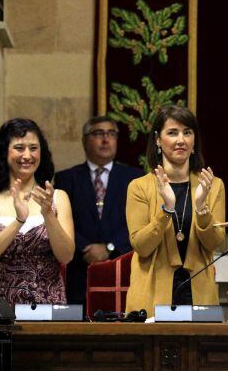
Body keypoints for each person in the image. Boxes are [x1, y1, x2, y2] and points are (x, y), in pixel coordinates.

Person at [125, 105, 226, 317]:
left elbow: (215, 243)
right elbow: (142, 246)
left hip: (199, 293)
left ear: (194, 140)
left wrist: (201, 209)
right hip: (152, 295)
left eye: (187, 132)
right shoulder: (139, 186)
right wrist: (166, 209)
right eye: (172, 133)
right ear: (158, 140)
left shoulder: (213, 185)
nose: (181, 140)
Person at [0, 118, 75, 306]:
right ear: (4, 152)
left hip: (48, 305)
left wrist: (48, 214)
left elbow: (66, 256)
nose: (27, 155)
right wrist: (19, 220)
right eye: (19, 148)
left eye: (33, 148)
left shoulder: (58, 197)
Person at [55, 116, 144, 309]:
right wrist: (85, 247)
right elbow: (59, 222)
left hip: (123, 272)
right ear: (84, 140)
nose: (106, 139)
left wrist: (109, 247)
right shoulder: (66, 179)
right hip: (79, 275)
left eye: (111, 134)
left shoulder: (136, 179)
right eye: (98, 134)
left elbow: (140, 223)